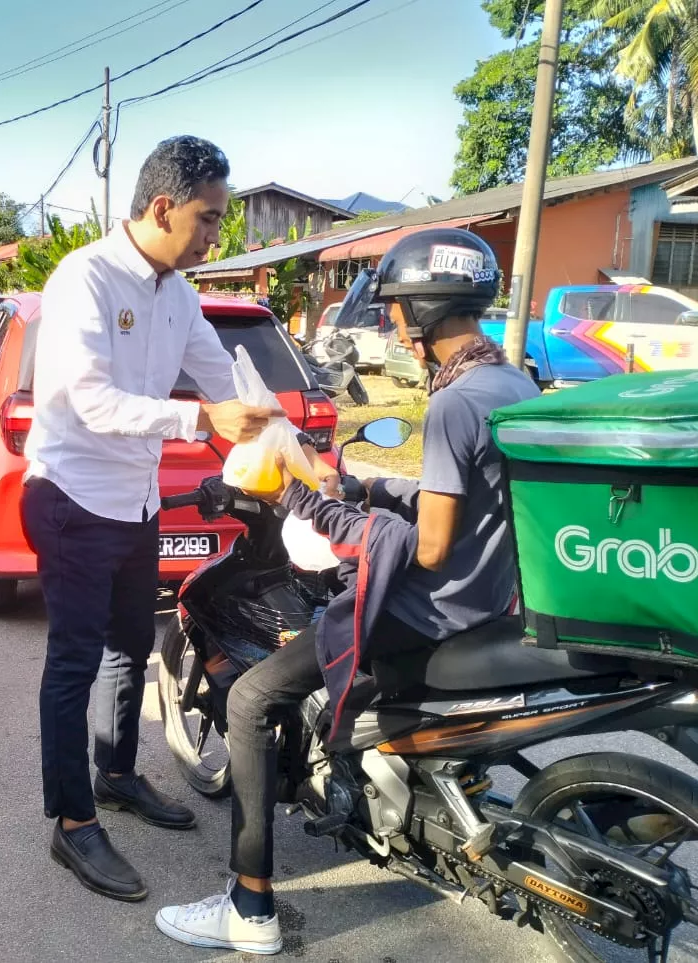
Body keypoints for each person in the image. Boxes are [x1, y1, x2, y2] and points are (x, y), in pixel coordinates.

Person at [156, 228, 540, 955]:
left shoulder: (455, 402)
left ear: (425, 311)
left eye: (397, 309)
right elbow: (455, 499)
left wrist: (320, 508)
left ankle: (250, 907)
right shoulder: (512, 380)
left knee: (249, 698)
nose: (393, 324)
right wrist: (367, 484)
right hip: (491, 600)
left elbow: (427, 545)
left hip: (430, 610)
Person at [22, 135, 339, 903]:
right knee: (72, 661)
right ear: (162, 207)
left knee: (130, 645)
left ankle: (120, 773)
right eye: (207, 219)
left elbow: (234, 383)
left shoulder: (180, 293)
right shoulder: (84, 279)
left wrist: (304, 457)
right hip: (70, 495)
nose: (214, 236)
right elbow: (86, 401)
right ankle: (71, 822)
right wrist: (201, 424)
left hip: (130, 501)